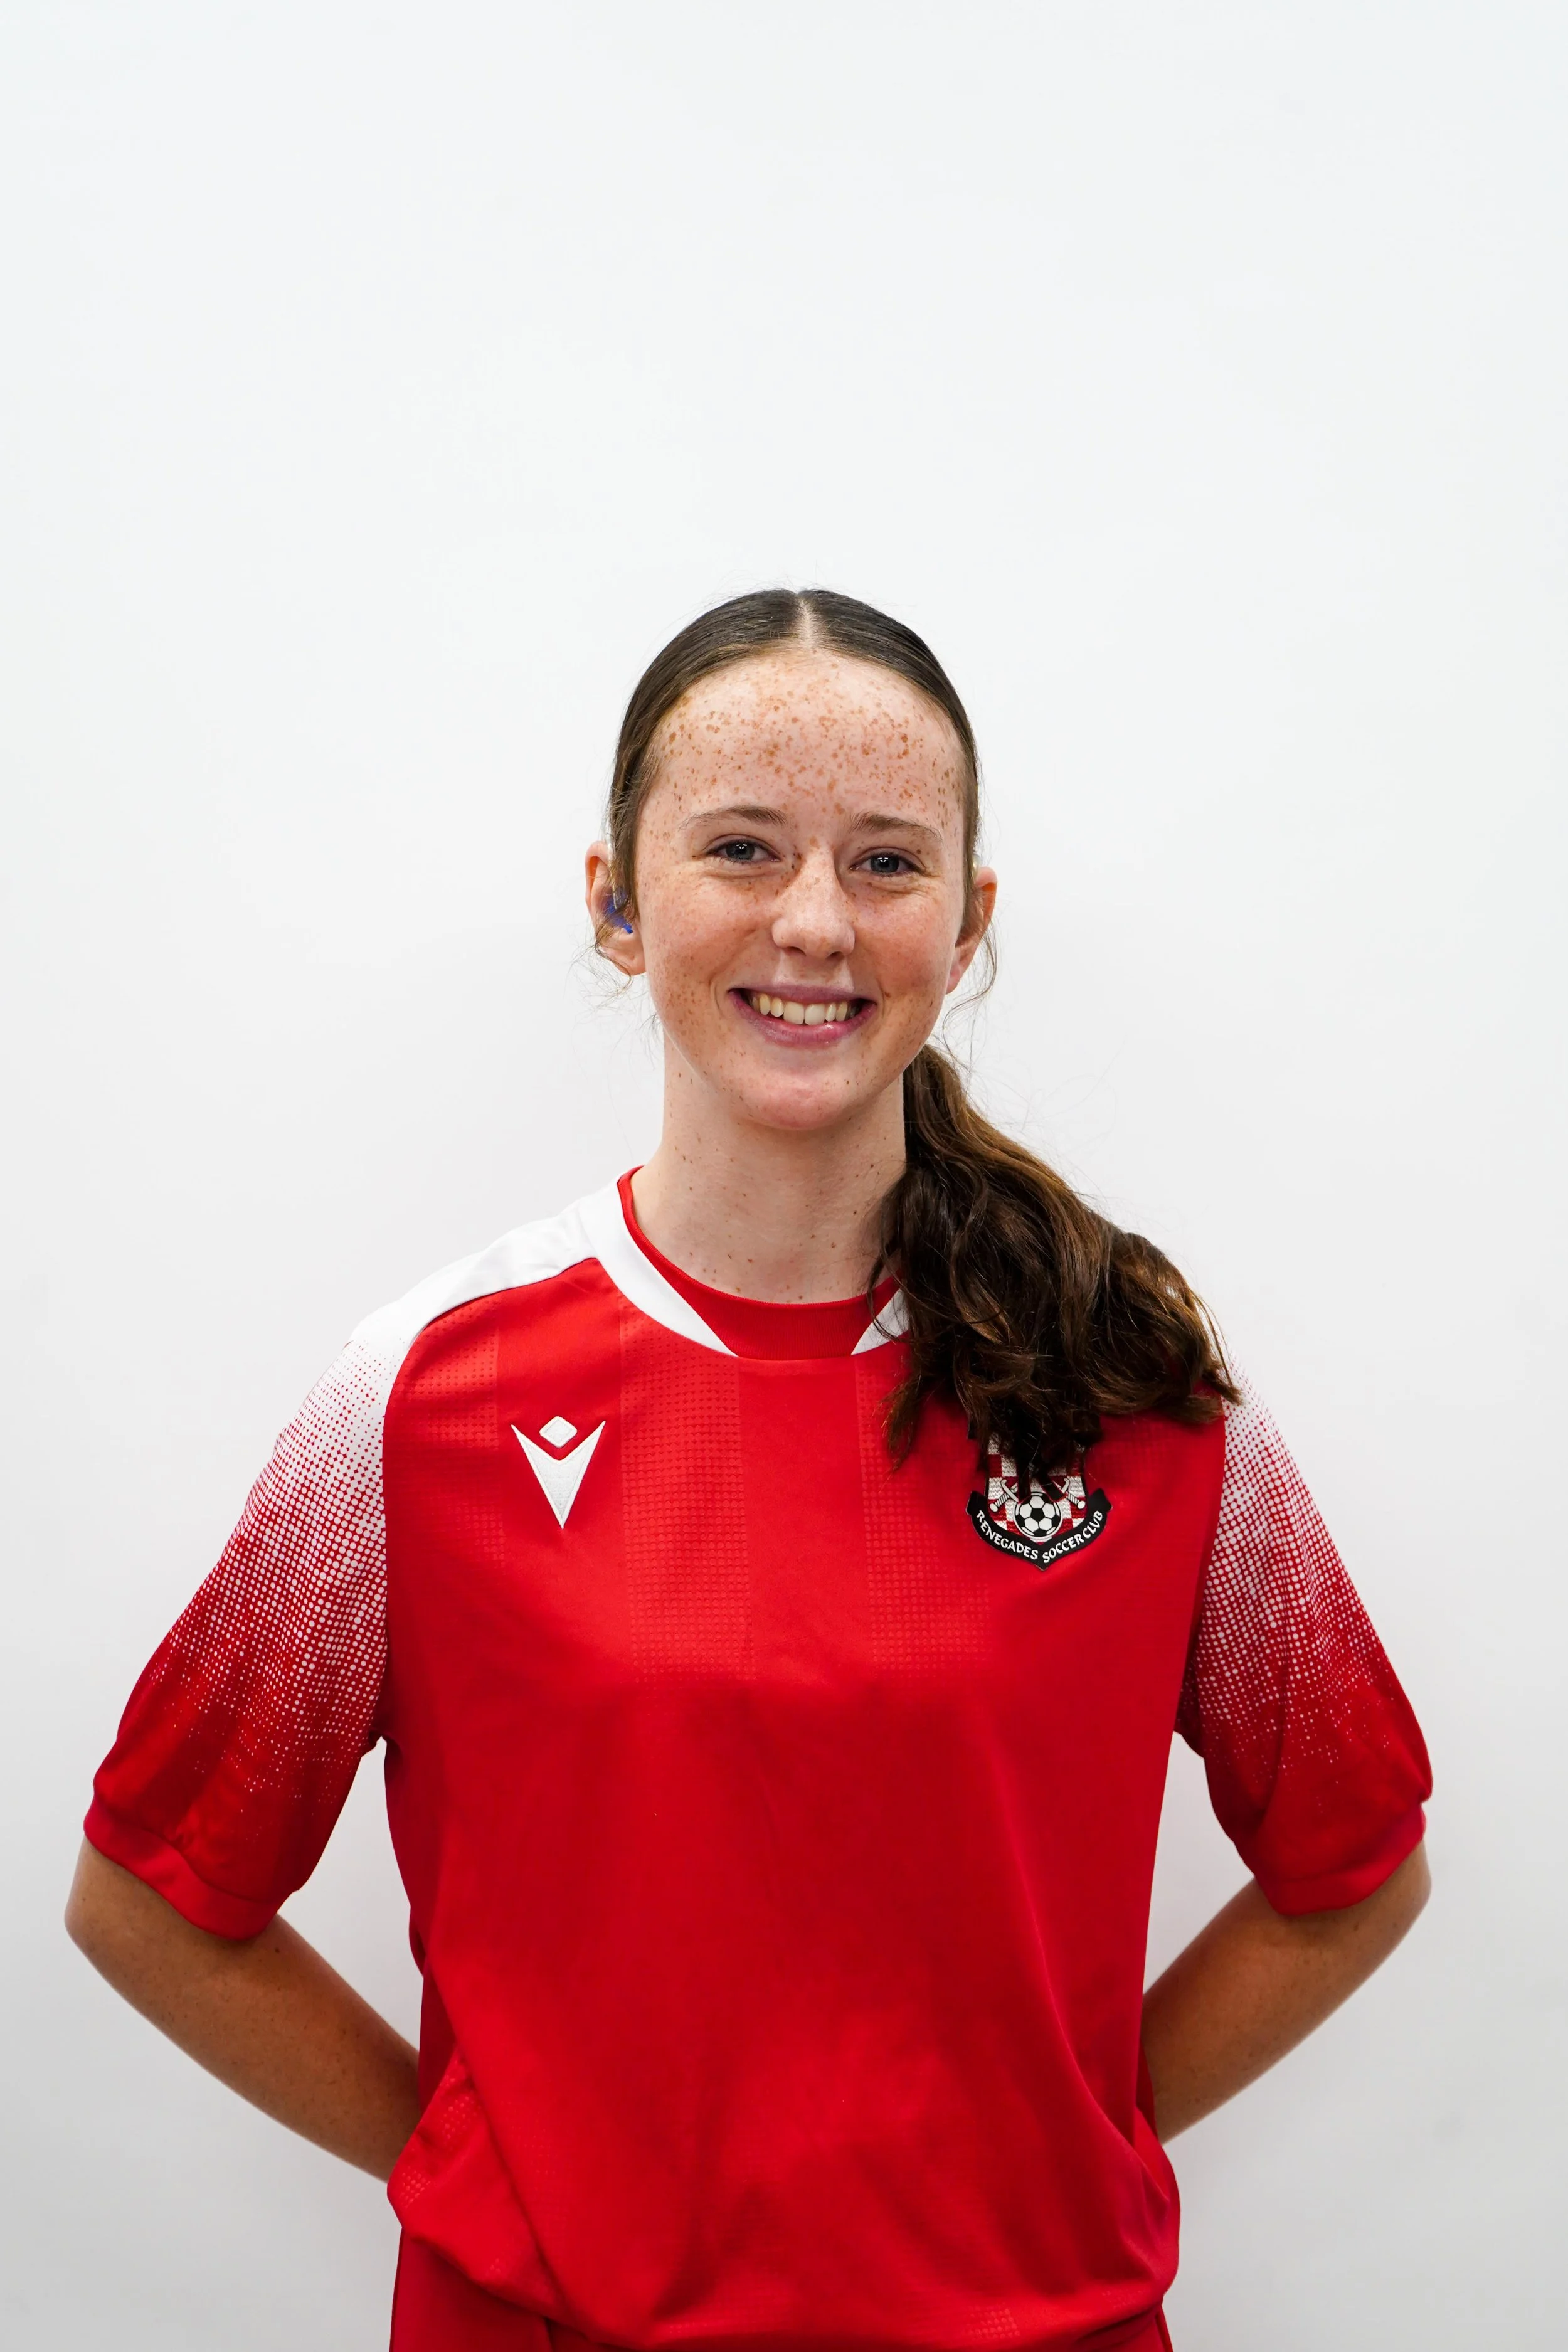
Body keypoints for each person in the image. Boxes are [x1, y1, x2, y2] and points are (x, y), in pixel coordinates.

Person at [66, 589, 1432, 2352]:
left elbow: (1354, 1857)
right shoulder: (413, 1402)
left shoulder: (1129, 1390)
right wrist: (500, 2169)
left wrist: (1067, 2145)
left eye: (884, 861)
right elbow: (156, 1893)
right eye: (739, 847)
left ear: (968, 920)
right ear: (615, 906)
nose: (813, 922)